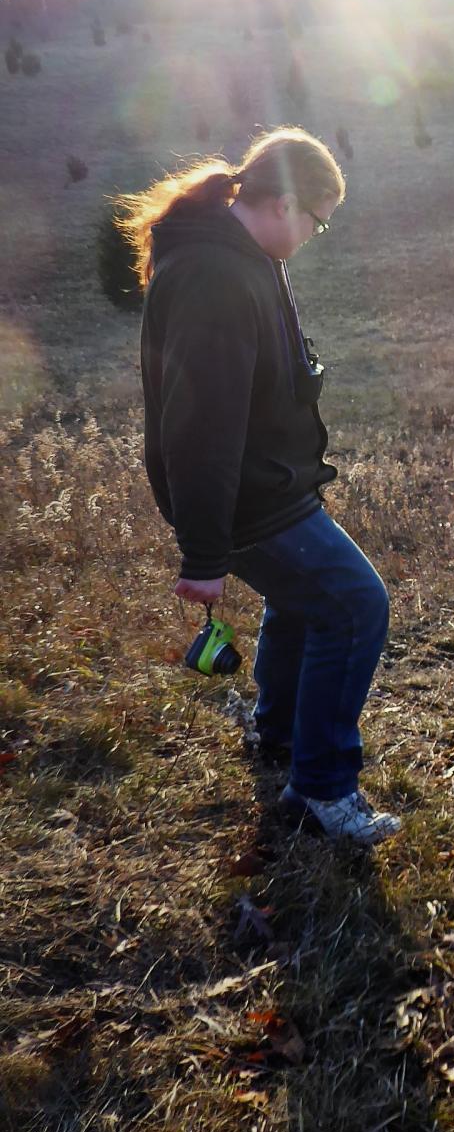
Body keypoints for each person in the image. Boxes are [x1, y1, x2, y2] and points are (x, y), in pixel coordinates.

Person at [119, 127, 399, 845]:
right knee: (358, 605)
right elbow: (200, 430)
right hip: (244, 497)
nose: (315, 234)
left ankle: (277, 735)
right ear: (280, 203)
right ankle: (322, 790)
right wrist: (205, 556)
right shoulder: (217, 278)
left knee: (306, 600)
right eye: (317, 219)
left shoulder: (247, 256)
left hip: (272, 484)